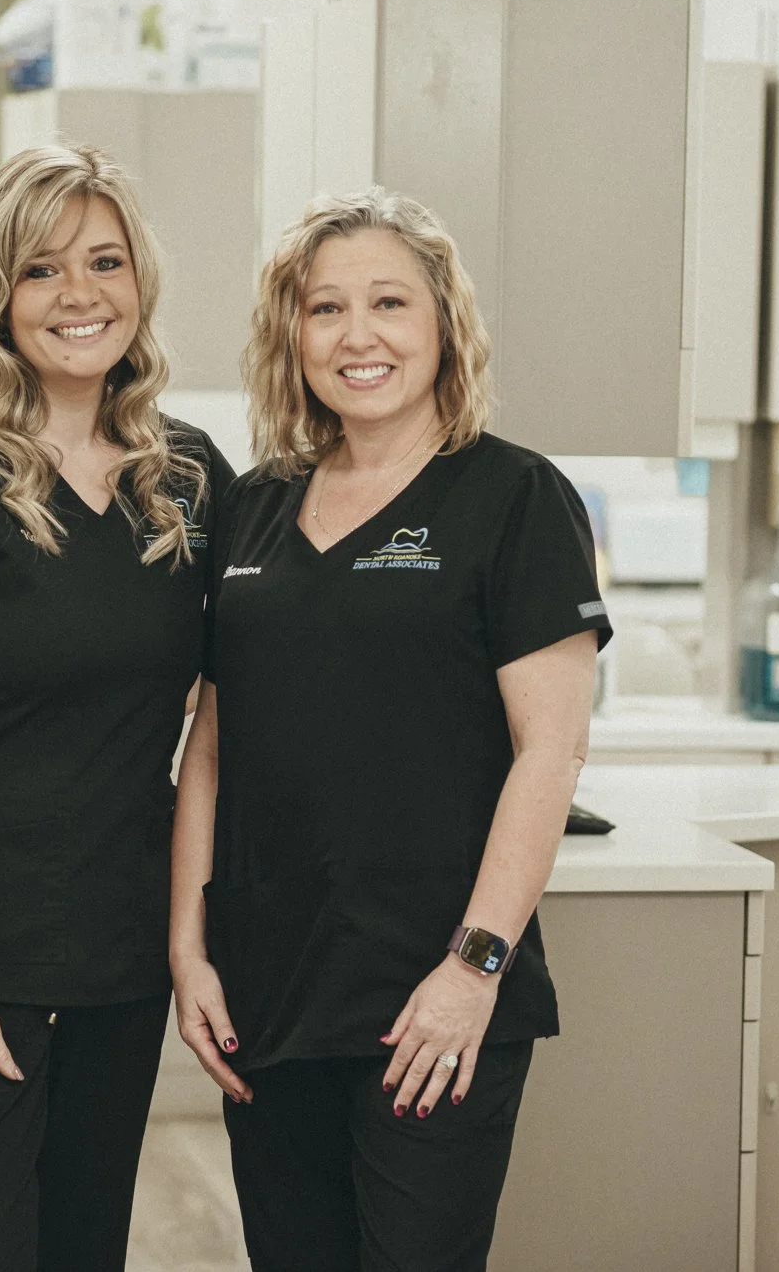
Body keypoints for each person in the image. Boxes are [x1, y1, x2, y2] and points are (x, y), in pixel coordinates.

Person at [170, 189, 611, 1271]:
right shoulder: (253, 506)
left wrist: (473, 969)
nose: (356, 335)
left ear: (442, 325)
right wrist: (188, 950)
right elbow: (211, 749)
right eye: (324, 309)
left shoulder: (515, 498)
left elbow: (547, 754)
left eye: (387, 303)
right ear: (292, 335)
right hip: (269, 987)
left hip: (430, 992)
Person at [0, 144, 234, 1272]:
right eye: (41, 270)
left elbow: (235, 701)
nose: (79, 296)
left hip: (116, 960)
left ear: (140, 283)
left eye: (104, 262)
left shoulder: (189, 475)